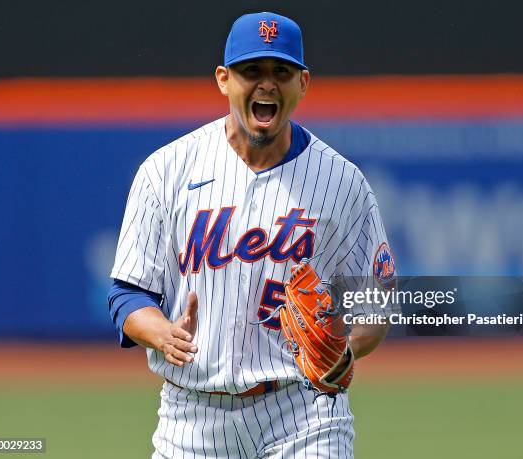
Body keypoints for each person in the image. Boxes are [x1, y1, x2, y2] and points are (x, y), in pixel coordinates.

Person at [108, 11, 393, 458]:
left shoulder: (342, 181)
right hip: (192, 417)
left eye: (281, 71)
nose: (266, 84)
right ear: (223, 79)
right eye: (251, 71)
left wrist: (347, 348)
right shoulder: (166, 171)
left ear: (303, 83)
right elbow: (127, 294)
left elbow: (373, 303)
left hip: (304, 411)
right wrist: (161, 332)